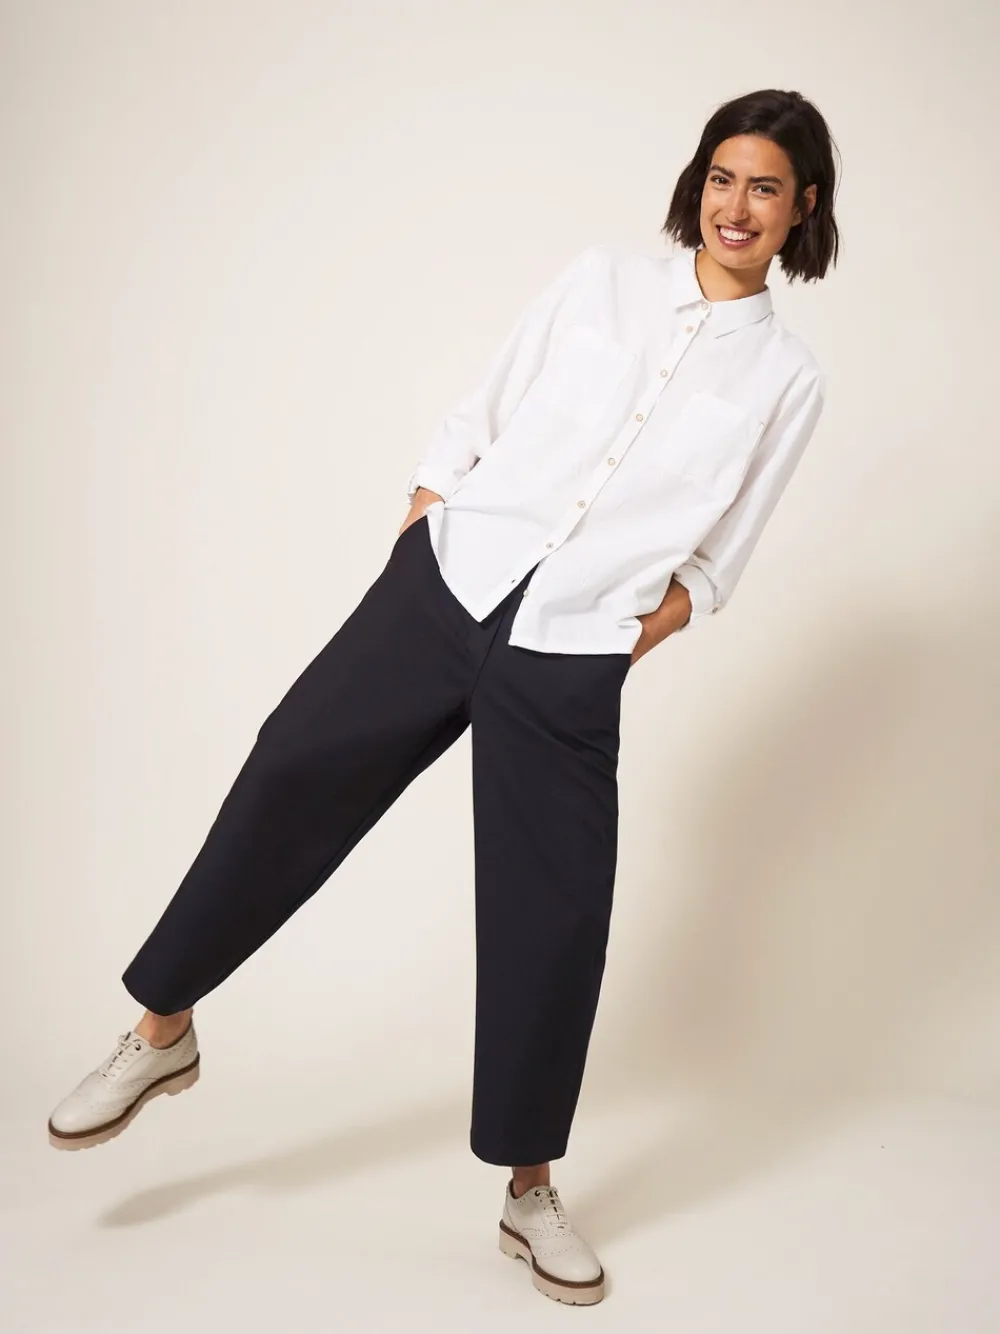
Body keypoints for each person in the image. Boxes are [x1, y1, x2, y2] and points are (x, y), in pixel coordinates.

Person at [47, 87, 840, 1306]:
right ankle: (162, 1030)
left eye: (765, 188)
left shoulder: (786, 377)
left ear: (801, 208)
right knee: (294, 763)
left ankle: (529, 1186)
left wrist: (636, 630)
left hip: (574, 643)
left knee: (553, 907)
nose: (737, 206)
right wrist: (427, 508)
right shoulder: (600, 283)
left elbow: (721, 550)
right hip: (453, 576)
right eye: (723, 178)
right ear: (699, 184)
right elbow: (488, 402)